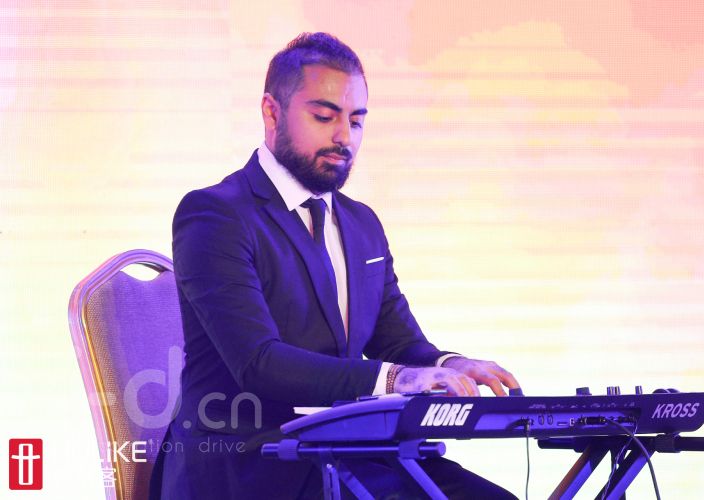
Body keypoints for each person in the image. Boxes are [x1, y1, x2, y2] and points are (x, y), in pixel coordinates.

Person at [150, 32, 520, 499]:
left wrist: (450, 364)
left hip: (345, 454)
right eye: (324, 117)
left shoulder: (362, 224)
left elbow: (397, 341)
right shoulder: (216, 215)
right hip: (249, 465)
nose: (344, 137)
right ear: (271, 112)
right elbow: (259, 362)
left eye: (356, 120)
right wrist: (396, 379)